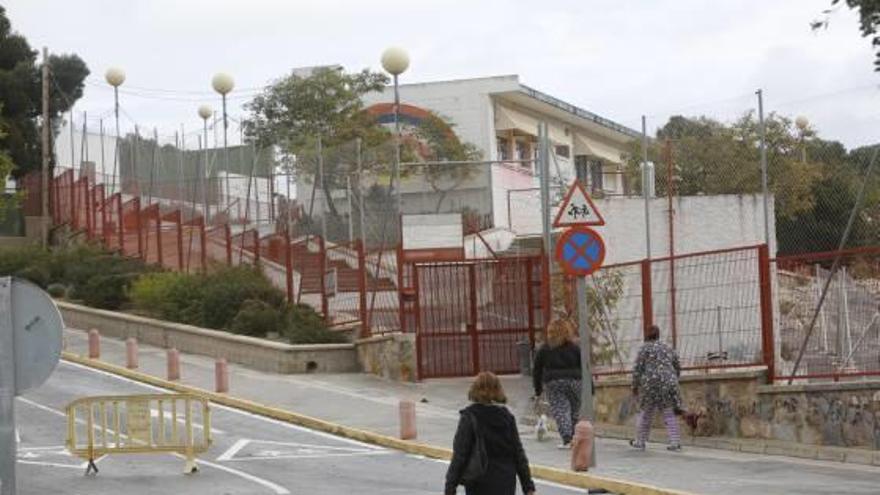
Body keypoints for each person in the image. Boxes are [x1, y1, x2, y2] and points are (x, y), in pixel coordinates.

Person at [445, 372, 536, 495]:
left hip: (479, 480)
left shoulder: (470, 416)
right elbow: (518, 453)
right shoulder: (507, 417)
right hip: (505, 480)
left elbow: (461, 454)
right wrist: (528, 486)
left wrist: (450, 485)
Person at [630, 324, 683, 451]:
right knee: (669, 412)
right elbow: (677, 365)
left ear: (647, 335)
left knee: (646, 413)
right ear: (658, 335)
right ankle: (674, 442)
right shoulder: (667, 348)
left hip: (650, 384)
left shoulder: (644, 349)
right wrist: (673, 378)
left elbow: (638, 369)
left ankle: (640, 441)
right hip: (668, 382)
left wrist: (635, 386)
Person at [532, 319, 581, 449]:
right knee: (575, 410)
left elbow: (537, 370)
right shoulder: (574, 348)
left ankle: (567, 439)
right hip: (575, 381)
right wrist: (590, 388)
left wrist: (537, 390)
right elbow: (584, 367)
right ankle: (574, 436)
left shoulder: (545, 349)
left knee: (561, 409)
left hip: (554, 382)